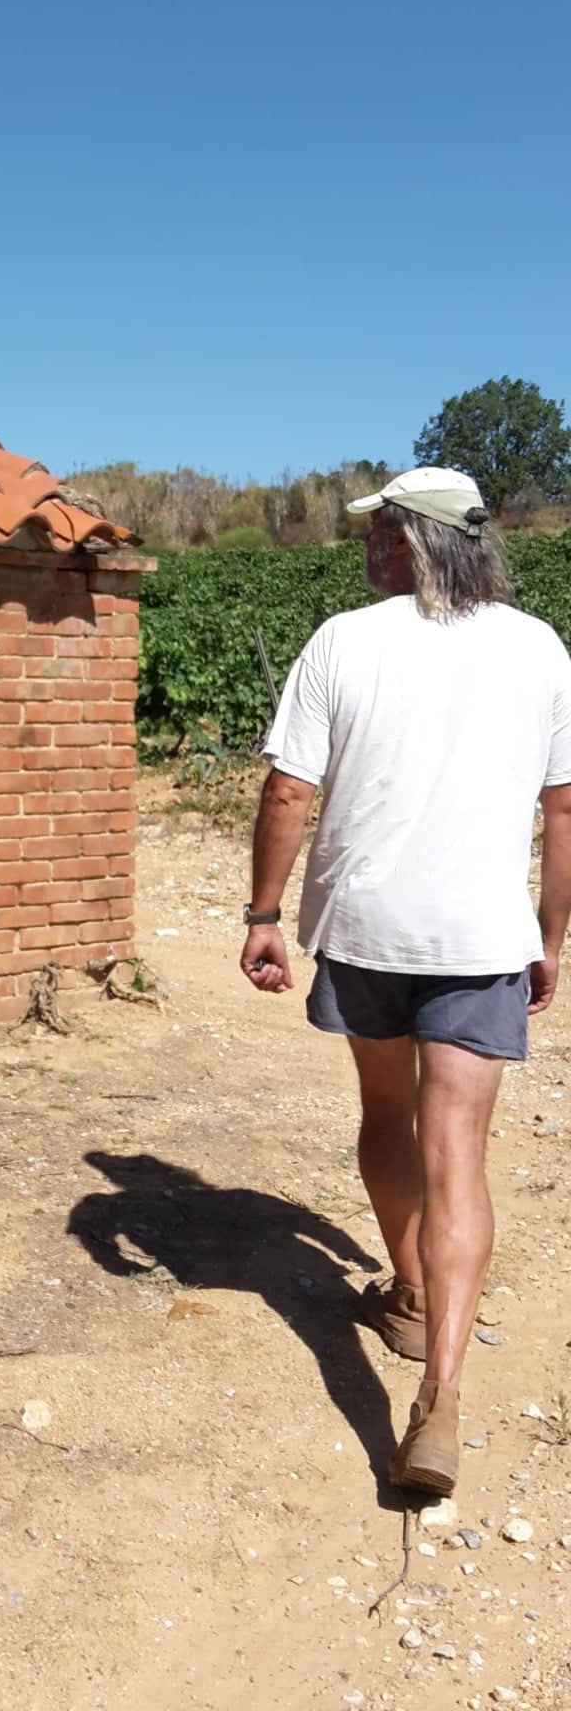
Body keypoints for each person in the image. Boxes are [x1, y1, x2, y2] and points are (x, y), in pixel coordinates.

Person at [239, 466, 571, 1496]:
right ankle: (440, 1395)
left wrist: (262, 914)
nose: (367, 551)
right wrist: (549, 934)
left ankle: (415, 1292)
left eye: (378, 534)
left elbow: (291, 788)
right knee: (457, 1151)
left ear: (413, 544)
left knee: (387, 1110)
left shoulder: (346, 640)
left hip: (369, 927)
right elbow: (565, 811)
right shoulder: (541, 649)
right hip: (479, 939)